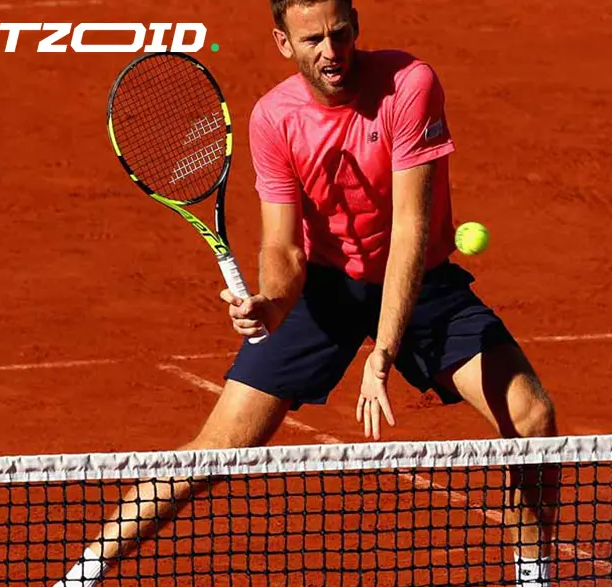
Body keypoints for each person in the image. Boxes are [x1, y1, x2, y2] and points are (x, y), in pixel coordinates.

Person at [53, 1, 559, 585]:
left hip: (418, 281)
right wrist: (272, 301)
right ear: (283, 43)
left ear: (356, 27)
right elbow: (284, 248)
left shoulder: (409, 84)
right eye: (312, 38)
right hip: (323, 289)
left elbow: (410, 234)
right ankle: (81, 575)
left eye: (339, 33)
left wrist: (383, 355)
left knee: (531, 414)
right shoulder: (273, 118)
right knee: (214, 448)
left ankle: (532, 574)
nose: (330, 51)